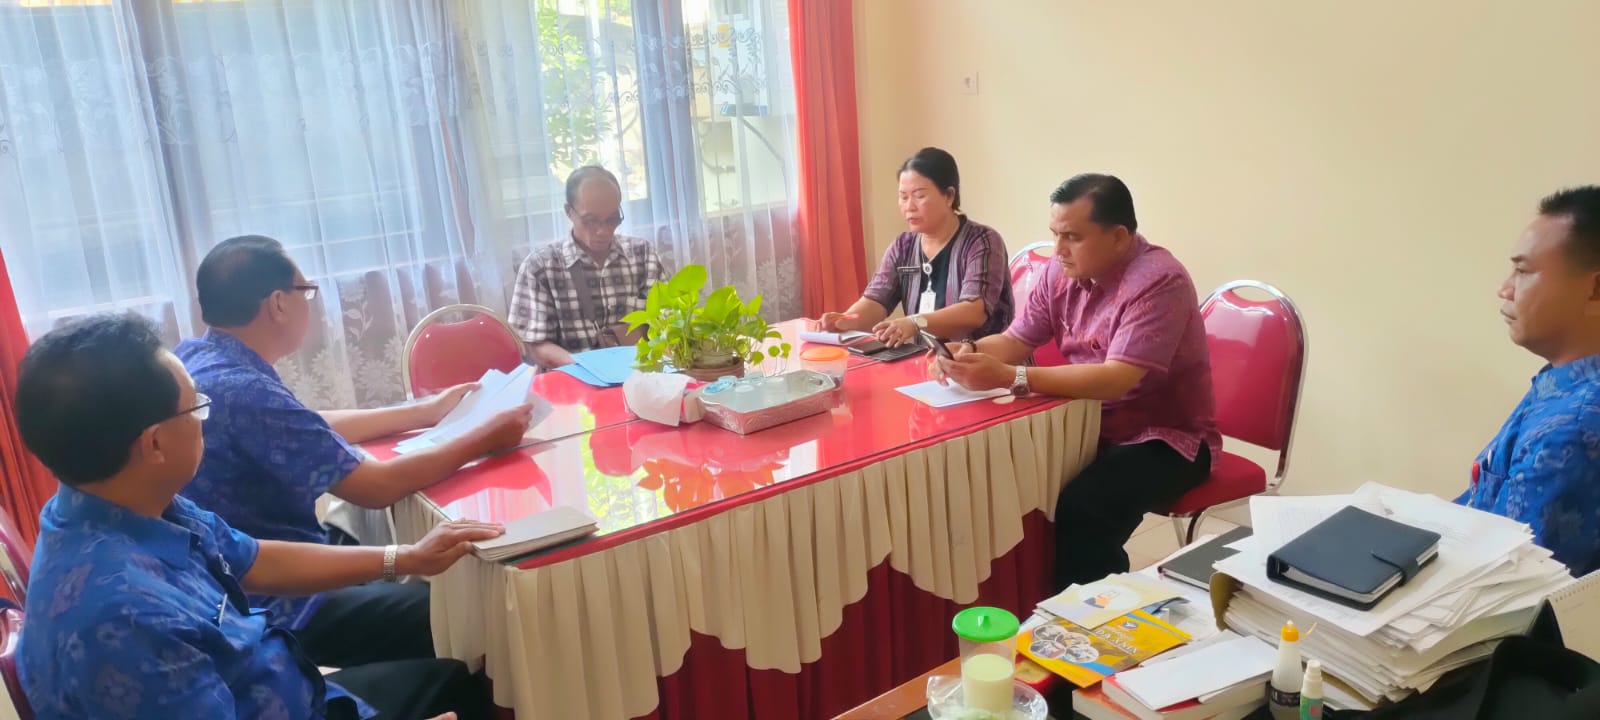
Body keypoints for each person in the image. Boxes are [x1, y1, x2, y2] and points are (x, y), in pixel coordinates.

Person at [14, 312, 498, 720]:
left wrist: (406, 558)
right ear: (154, 444)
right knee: (469, 681)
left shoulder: (115, 502)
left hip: (284, 687)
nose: (203, 420)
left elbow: (253, 558)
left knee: (455, 675)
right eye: (197, 409)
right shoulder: (125, 623)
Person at [175, 235, 534, 670]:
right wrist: (483, 437)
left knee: (402, 561)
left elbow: (303, 423)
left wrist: (422, 411)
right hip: (278, 600)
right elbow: (376, 488)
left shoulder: (201, 358)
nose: (311, 303)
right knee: (463, 614)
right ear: (278, 304)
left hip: (243, 571)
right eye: (306, 290)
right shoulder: (245, 390)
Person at [933, 174, 1219, 589]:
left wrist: (1012, 376)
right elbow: (1015, 340)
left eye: (1072, 237)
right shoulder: (1059, 271)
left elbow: (1116, 379)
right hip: (1084, 424)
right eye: (1055, 234)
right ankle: (1022, 600)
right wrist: (968, 351)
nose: (1058, 249)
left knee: (1085, 505)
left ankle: (1092, 616)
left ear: (1118, 237)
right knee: (1003, 480)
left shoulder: (1159, 281)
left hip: (1166, 439)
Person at [1458, 186, 1600, 575]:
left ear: (1595, 290)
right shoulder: (1564, 384)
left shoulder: (1577, 423)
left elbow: (1503, 580)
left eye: (1522, 271)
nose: (1504, 289)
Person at [819, 147, 1014, 346]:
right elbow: (876, 300)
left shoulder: (982, 241)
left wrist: (915, 322)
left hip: (983, 358)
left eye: (919, 196)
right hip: (926, 359)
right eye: (903, 197)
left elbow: (974, 312)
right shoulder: (903, 246)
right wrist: (846, 320)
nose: (909, 207)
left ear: (949, 196)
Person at [508, 165, 668, 368]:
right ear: (569, 212)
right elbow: (534, 346)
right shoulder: (540, 267)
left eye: (612, 220)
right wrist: (590, 369)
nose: (603, 231)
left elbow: (667, 320)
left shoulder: (642, 254)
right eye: (591, 221)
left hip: (638, 373)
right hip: (572, 377)